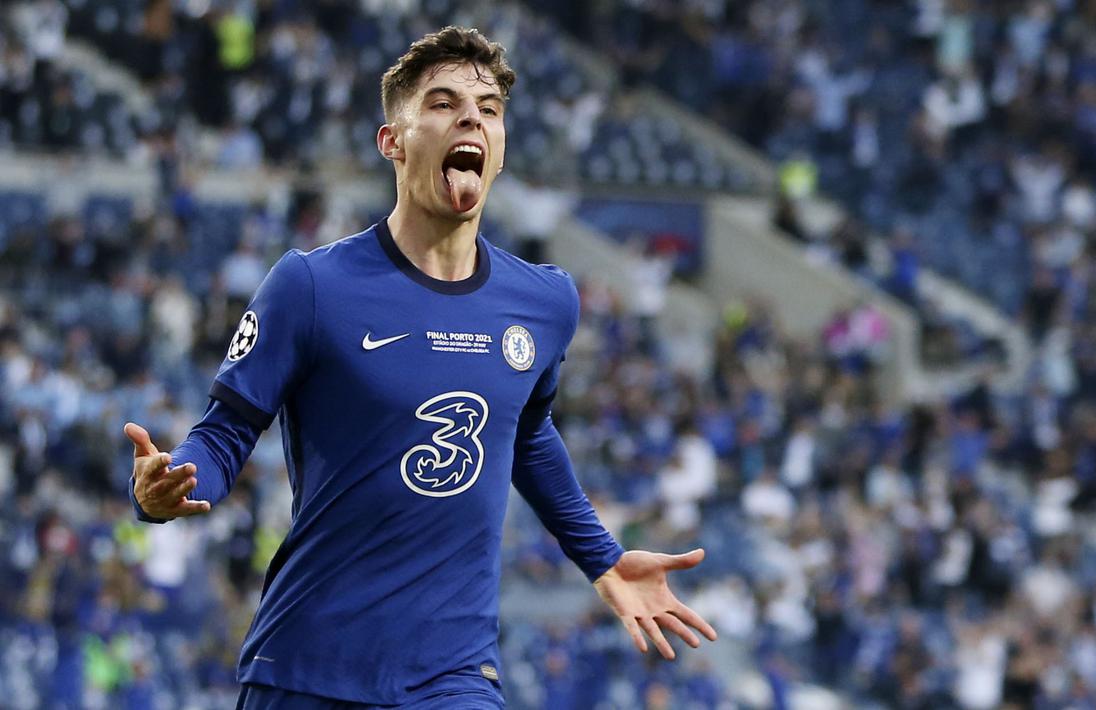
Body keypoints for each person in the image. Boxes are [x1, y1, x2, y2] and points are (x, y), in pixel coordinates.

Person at [124, 26, 716, 710]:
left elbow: (523, 431)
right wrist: (167, 486)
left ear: (497, 152)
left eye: (488, 108)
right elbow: (227, 428)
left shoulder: (544, 301)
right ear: (392, 142)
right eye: (442, 103)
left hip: (453, 676)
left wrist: (601, 557)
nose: (471, 116)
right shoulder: (311, 286)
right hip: (308, 665)